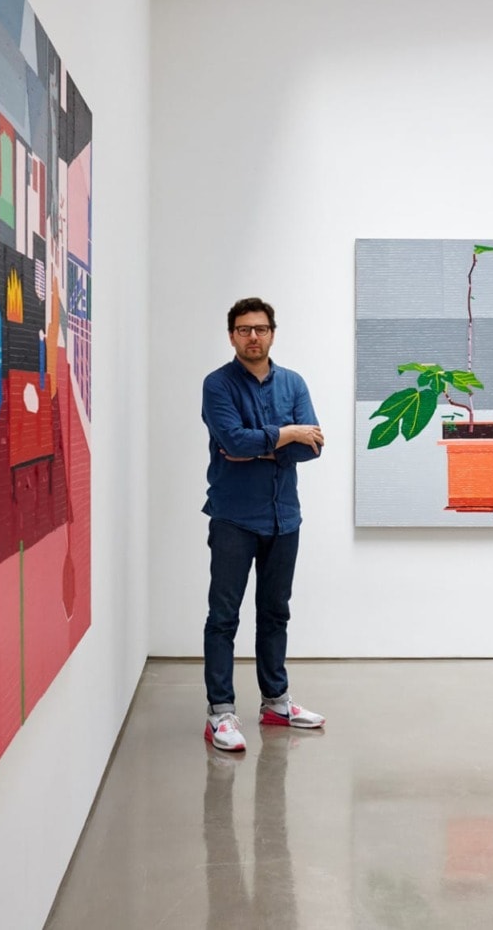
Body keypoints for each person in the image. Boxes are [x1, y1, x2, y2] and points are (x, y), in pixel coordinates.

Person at [201, 297, 325, 752]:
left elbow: (313, 445)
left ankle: (275, 702)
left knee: (275, 613)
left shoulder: (293, 383)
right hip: (233, 517)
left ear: (273, 332)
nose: (253, 337)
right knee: (224, 617)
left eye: (260, 328)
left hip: (283, 518)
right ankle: (220, 713)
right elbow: (231, 439)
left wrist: (265, 444)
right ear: (231, 335)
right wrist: (288, 433)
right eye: (243, 329)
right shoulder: (217, 385)